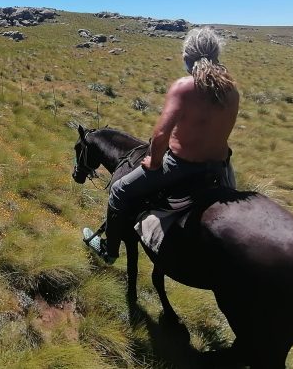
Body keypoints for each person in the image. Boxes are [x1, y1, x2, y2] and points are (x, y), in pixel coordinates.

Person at [100, 26, 240, 262]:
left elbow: (161, 135)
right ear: (217, 55)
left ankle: (110, 250)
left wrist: (153, 162)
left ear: (187, 57)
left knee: (118, 190)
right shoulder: (231, 89)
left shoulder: (184, 86)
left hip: (182, 166)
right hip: (220, 167)